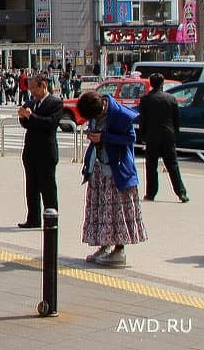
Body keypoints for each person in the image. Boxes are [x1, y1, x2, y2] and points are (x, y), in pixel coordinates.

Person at [77, 90, 148, 267]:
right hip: (100, 168)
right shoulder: (95, 112)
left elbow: (131, 138)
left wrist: (104, 137)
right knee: (102, 208)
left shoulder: (120, 114)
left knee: (117, 211)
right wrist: (94, 137)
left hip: (117, 170)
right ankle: (105, 244)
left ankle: (119, 249)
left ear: (101, 106)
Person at [16, 75, 63, 228]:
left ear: (43, 85)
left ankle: (51, 219)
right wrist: (23, 117)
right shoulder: (30, 102)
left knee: (48, 187)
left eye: (34, 88)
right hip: (31, 151)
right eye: (30, 89)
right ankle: (33, 218)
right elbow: (27, 124)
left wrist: (32, 116)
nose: (32, 93)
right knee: (31, 187)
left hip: (46, 151)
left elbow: (50, 124)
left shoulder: (54, 103)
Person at [138, 73, 189, 203]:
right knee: (172, 165)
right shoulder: (171, 99)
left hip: (152, 136)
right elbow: (176, 120)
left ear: (151, 83)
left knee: (151, 166)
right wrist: (175, 135)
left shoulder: (145, 99)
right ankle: (181, 193)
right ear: (162, 83)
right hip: (168, 135)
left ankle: (151, 193)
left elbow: (143, 120)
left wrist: (142, 135)